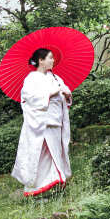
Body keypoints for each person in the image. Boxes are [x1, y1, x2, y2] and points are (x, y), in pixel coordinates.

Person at [11, 48, 72, 196]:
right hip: (41, 123)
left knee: (55, 154)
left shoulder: (55, 78)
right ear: (41, 60)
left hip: (56, 122)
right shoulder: (32, 78)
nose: (53, 60)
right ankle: (36, 188)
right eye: (50, 58)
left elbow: (64, 98)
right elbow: (28, 98)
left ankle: (54, 186)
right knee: (42, 155)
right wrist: (50, 93)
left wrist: (67, 95)